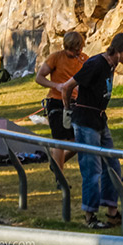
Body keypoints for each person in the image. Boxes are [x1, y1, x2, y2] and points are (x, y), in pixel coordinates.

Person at [59, 32, 123, 229]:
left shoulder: (112, 65)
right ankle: (90, 216)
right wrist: (68, 110)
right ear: (117, 50)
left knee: (113, 166)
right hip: (85, 121)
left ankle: (112, 212)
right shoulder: (96, 64)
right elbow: (67, 87)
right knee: (92, 170)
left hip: (101, 120)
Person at [34, 31, 88, 169]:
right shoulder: (56, 58)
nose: (75, 53)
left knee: (77, 141)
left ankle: (57, 163)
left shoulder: (84, 60)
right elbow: (39, 77)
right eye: (71, 50)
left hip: (75, 102)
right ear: (65, 47)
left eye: (78, 50)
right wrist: (56, 85)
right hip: (56, 102)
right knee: (60, 140)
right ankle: (60, 177)